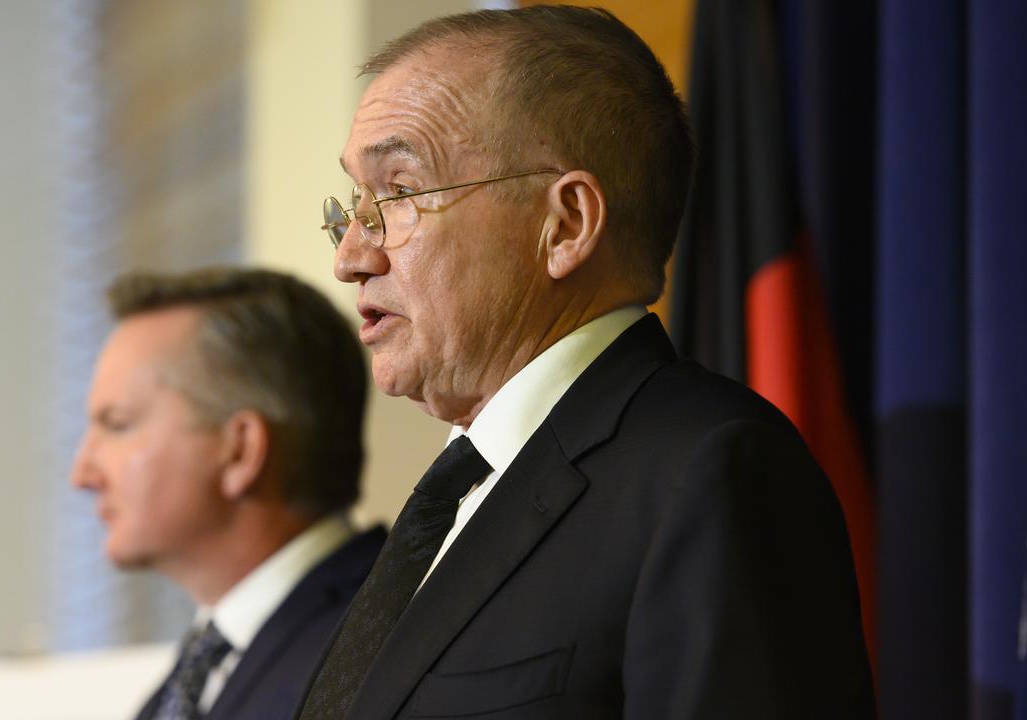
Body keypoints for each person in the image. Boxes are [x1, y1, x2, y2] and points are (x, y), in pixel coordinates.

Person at [298, 6, 875, 719]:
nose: (350, 256)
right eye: (353, 204)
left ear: (564, 225)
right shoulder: (454, 499)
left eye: (402, 192)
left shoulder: (711, 473)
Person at [71, 267, 385, 720]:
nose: (81, 473)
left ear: (239, 450)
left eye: (117, 424)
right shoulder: (192, 676)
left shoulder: (385, 646)